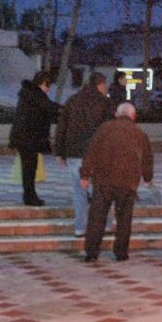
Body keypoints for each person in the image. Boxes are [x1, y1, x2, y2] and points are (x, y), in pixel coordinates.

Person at [80, 103, 153, 263]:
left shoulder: (104, 129)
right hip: (128, 182)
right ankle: (121, 252)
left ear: (116, 114)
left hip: (103, 179)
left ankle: (91, 252)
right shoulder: (139, 133)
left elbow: (91, 152)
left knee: (97, 217)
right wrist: (148, 178)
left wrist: (85, 175)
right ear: (133, 116)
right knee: (124, 219)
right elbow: (147, 159)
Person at [54, 72, 115, 237]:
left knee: (79, 191)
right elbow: (110, 131)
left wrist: (59, 151)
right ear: (101, 85)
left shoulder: (72, 101)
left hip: (75, 154)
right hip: (98, 155)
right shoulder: (105, 103)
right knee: (101, 191)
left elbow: (62, 127)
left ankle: (80, 227)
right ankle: (107, 224)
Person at [9, 70, 59, 206]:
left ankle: (29, 195)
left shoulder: (30, 94)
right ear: (42, 83)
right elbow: (50, 108)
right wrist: (67, 110)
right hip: (28, 138)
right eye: (48, 85)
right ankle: (30, 196)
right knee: (29, 168)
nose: (48, 90)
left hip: (26, 137)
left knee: (29, 168)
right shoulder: (35, 94)